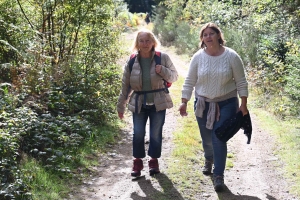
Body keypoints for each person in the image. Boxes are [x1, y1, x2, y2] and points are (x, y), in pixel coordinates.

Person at [178, 22, 248, 192]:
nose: (208, 37)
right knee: (207, 138)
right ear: (202, 39)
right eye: (205, 34)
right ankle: (208, 158)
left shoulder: (231, 56)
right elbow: (189, 81)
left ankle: (218, 175)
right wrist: (184, 101)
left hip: (227, 102)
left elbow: (241, 81)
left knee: (218, 137)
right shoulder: (198, 57)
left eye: (211, 33)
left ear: (218, 35)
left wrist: (243, 104)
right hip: (203, 103)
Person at [117, 28, 178, 177]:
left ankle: (153, 161)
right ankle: (137, 162)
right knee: (138, 133)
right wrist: (121, 105)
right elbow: (125, 85)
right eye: (141, 41)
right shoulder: (132, 60)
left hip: (158, 101)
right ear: (137, 43)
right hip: (138, 102)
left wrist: (162, 70)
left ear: (153, 42)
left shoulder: (162, 58)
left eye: (147, 40)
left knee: (155, 134)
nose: (144, 44)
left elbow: (174, 77)